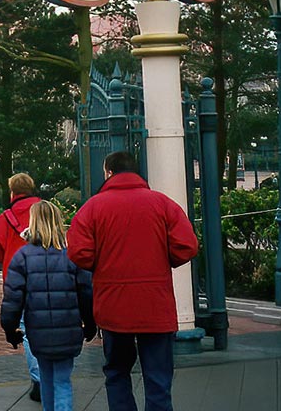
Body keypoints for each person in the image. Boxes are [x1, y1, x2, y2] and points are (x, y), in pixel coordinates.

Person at [67, 151, 199, 411]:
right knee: (158, 378)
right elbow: (187, 245)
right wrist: (163, 260)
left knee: (116, 372)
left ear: (108, 172)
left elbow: (79, 252)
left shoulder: (93, 207)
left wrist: (102, 264)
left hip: (113, 306)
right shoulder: (163, 204)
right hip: (155, 305)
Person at [1, 201, 95, 411]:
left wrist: (10, 329)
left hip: (38, 332)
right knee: (63, 381)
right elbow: (86, 293)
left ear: (33, 222)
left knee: (46, 378)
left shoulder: (22, 258)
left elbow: (12, 299)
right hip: (68, 330)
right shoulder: (73, 256)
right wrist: (90, 324)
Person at [0, 172, 43, 401]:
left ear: (12, 192)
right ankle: (54, 374)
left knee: (26, 329)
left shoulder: (5, 218)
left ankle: (38, 379)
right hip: (49, 275)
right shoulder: (45, 211)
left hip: (18, 279)